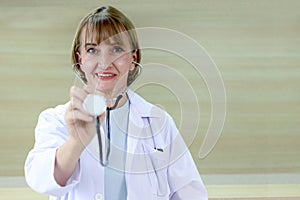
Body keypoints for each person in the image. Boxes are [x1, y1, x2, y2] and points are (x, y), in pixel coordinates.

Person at [24, 5, 208, 200]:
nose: (104, 62)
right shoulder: (56, 120)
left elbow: (190, 194)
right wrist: (75, 141)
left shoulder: (158, 122)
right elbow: (41, 180)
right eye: (92, 49)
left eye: (117, 49)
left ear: (133, 59)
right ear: (80, 59)